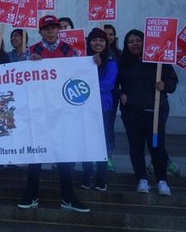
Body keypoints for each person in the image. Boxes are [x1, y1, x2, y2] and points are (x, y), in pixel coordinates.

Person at [18, 15, 89, 213]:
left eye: (53, 28)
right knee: (36, 155)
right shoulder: (30, 52)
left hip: (63, 112)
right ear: (40, 31)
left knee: (64, 156)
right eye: (46, 28)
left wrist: (95, 63)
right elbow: (19, 79)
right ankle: (31, 194)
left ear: (59, 30)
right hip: (39, 112)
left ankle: (68, 197)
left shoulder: (71, 51)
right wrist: (28, 65)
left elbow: (82, 75)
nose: (50, 31)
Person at [118, 29, 178, 196]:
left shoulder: (159, 60)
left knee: (157, 146)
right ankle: (141, 179)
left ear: (145, 42)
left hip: (156, 111)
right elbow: (114, 84)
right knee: (136, 146)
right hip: (132, 113)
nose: (135, 44)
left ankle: (162, 180)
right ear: (126, 44)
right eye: (131, 41)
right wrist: (120, 93)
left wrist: (164, 86)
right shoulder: (122, 62)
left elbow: (173, 81)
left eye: (138, 40)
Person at [79, 28, 117, 191]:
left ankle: (101, 178)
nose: (98, 43)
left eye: (101, 40)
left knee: (101, 144)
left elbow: (107, 85)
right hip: (84, 108)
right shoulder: (81, 60)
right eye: (94, 40)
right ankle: (87, 176)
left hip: (103, 107)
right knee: (86, 143)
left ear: (106, 43)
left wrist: (96, 70)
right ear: (89, 42)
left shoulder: (111, 61)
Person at [103, 24, 121, 172]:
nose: (108, 36)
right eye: (105, 34)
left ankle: (108, 157)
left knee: (108, 127)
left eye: (110, 34)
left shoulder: (119, 54)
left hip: (111, 97)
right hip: (93, 97)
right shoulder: (89, 53)